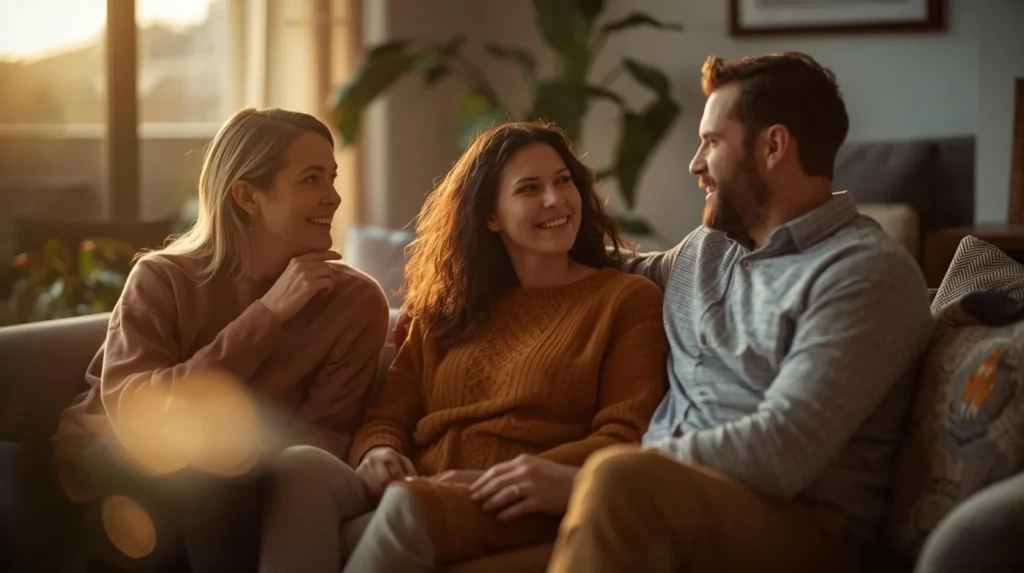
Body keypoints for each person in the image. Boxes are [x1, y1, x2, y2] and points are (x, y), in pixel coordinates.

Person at [545, 52, 936, 573]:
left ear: (773, 146)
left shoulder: (865, 273)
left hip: (799, 525)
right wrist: (514, 247)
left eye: (711, 142)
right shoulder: (710, 247)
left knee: (614, 481)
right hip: (655, 504)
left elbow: (783, 450)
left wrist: (595, 476)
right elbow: (618, 271)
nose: (695, 164)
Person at [258, 121, 669, 573]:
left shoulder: (625, 300)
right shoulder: (444, 309)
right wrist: (378, 452)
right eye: (529, 188)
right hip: (419, 485)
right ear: (490, 216)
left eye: (563, 181)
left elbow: (625, 431)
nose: (555, 200)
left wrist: (498, 476)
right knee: (301, 468)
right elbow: (389, 416)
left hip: (519, 494)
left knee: (405, 510)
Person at [48, 108, 390, 572]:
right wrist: (267, 316)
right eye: (311, 180)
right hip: (115, 453)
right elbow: (138, 415)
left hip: (241, 473)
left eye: (331, 178)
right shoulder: (161, 278)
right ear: (247, 196)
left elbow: (324, 435)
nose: (333, 197)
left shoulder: (355, 301)